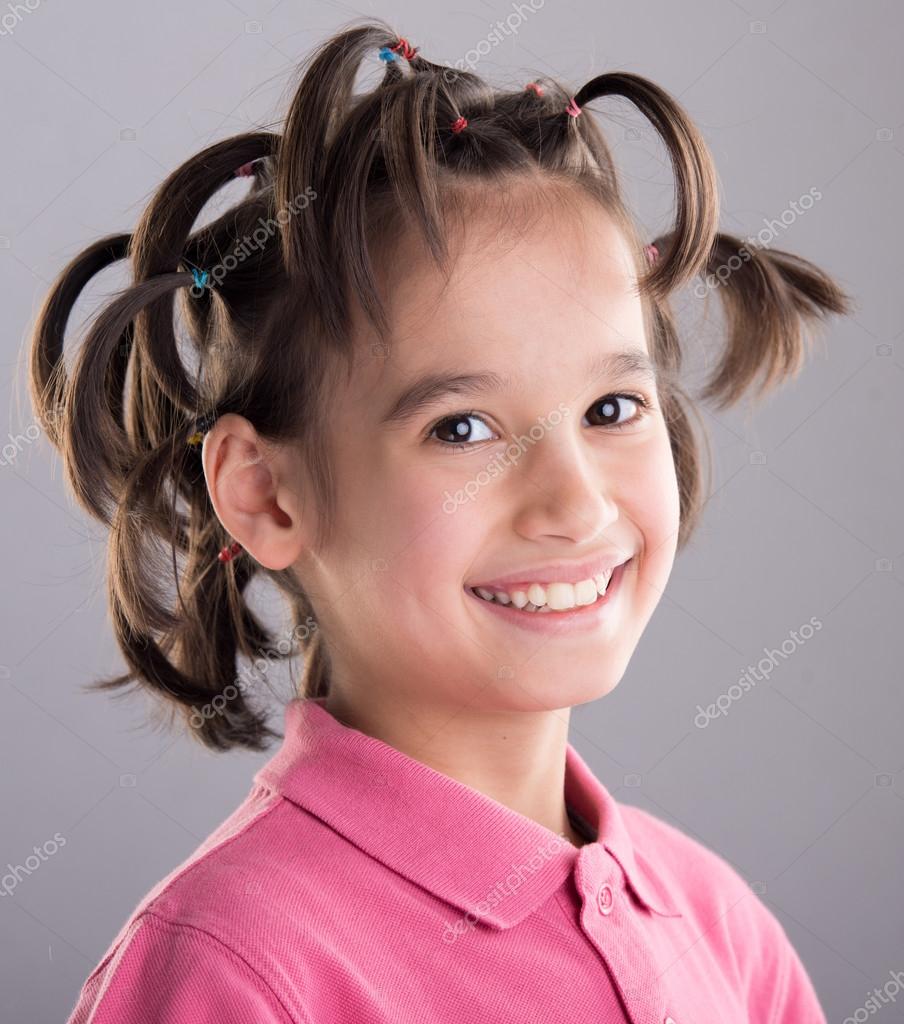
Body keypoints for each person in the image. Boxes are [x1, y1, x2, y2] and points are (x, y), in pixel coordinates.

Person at [29, 17, 851, 1024]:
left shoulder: (720, 928)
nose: (576, 503)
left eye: (610, 409)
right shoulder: (236, 974)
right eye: (461, 428)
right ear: (266, 494)